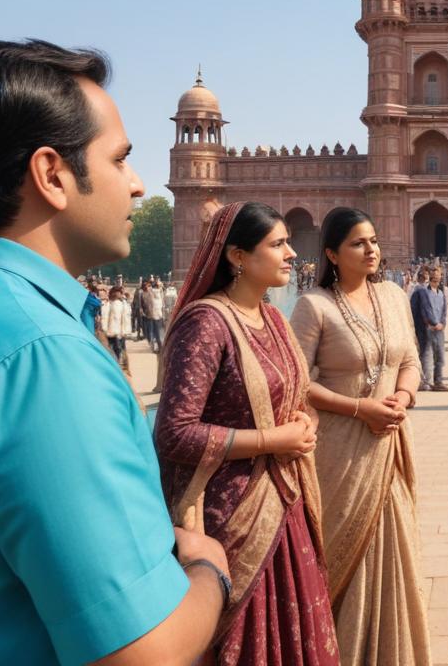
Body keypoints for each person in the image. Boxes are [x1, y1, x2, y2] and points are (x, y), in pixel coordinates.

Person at [0, 38, 228, 663]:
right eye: (119, 160)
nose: (137, 186)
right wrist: (210, 571)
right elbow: (143, 654)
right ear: (52, 175)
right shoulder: (43, 357)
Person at [156, 201, 338, 665]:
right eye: (277, 244)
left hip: (285, 502)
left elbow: (295, 398)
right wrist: (271, 441)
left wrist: (304, 423)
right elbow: (174, 433)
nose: (293, 253)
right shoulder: (205, 324)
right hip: (231, 516)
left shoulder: (274, 318)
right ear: (238, 256)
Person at [290, 207, 431, 665]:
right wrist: (359, 407)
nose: (371, 249)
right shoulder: (315, 305)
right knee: (341, 550)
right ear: (332, 253)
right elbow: (295, 382)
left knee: (394, 551)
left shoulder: (392, 294)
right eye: (357, 243)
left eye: (373, 240)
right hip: (340, 451)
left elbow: (410, 359)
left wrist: (403, 398)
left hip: (388, 442)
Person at [413, 267, 448, 392]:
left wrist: (442, 323)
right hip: (428, 327)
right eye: (434, 275)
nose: (436, 277)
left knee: (440, 356)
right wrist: (433, 323)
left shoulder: (441, 293)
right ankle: (426, 382)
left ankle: (438, 381)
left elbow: (444, 311)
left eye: (438, 274)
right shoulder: (423, 292)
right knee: (427, 355)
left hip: (439, 328)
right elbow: (425, 310)